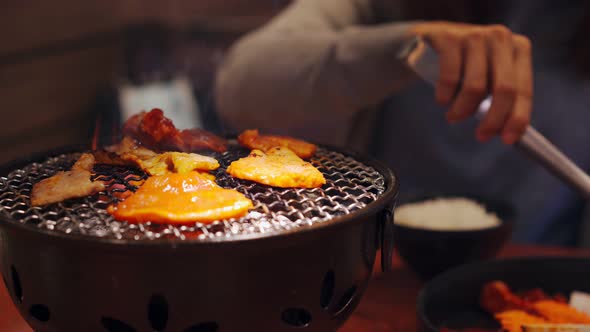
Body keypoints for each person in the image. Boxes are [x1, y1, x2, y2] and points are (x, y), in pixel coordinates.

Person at [214, 0, 590, 246]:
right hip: (383, 264)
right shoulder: (383, 5)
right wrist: (407, 45)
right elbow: (238, 87)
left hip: (554, 274)